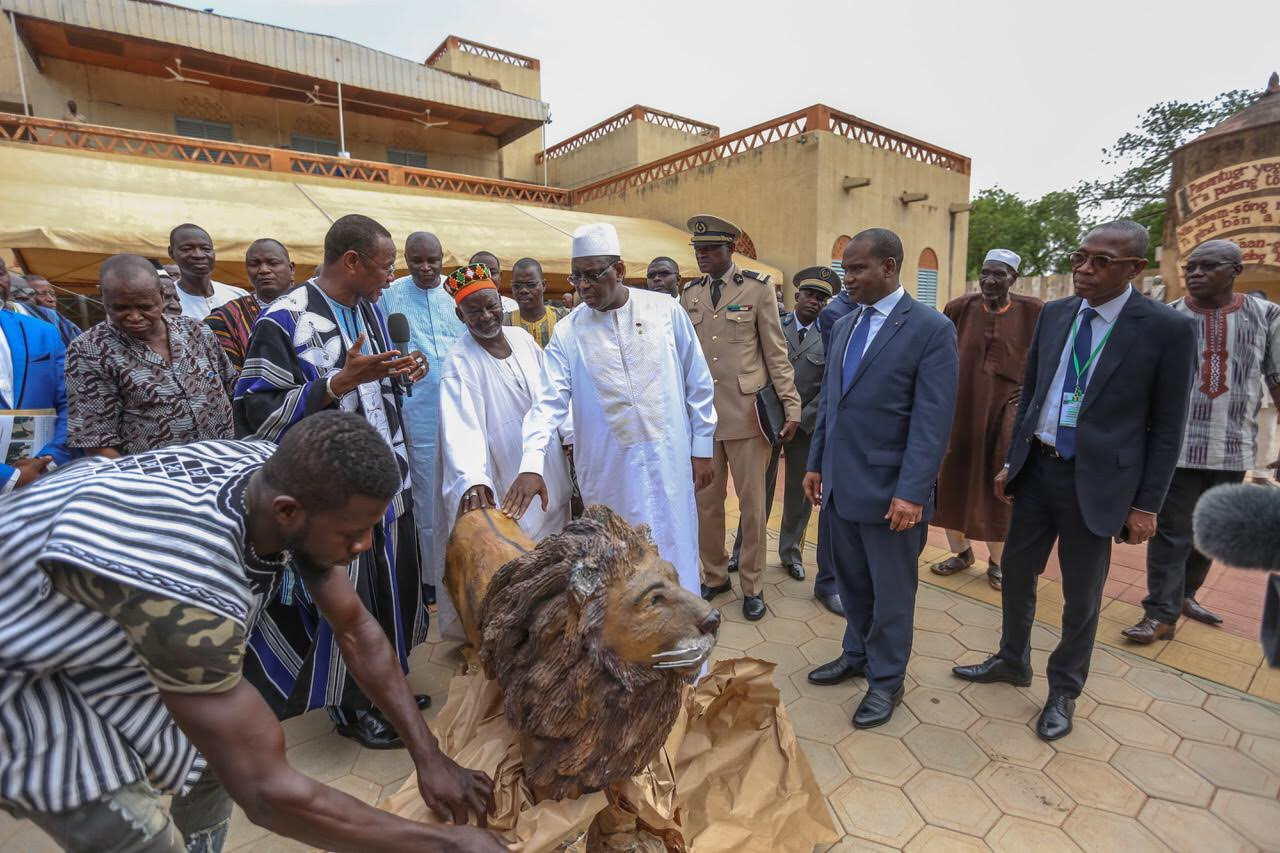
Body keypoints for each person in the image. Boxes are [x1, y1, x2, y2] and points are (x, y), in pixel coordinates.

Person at [0, 411, 503, 853]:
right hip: (18, 673)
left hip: (95, 601)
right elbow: (266, 794)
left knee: (211, 751)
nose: (365, 546)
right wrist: (443, 844)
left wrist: (430, 757)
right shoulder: (191, 583)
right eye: (352, 533)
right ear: (287, 511)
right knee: (135, 835)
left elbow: (354, 628)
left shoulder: (277, 471)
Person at [953, 221, 1197, 741]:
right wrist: (1012, 461)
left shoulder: (1164, 328)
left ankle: (1063, 689)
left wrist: (1147, 504)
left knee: (1082, 594)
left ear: (1135, 268)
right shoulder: (1058, 313)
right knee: (1017, 573)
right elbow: (1034, 391)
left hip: (1100, 484)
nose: (1084, 269)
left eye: (1100, 261)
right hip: (1039, 469)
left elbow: (1169, 426)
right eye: (1079, 258)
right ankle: (1012, 659)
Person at [234, 214, 431, 749]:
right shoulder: (283, 320)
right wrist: (340, 380)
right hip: (331, 497)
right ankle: (352, 708)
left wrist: (397, 372)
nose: (391, 277)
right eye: (385, 265)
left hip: (384, 477)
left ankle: (387, 688)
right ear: (352, 261)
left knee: (392, 586)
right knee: (351, 600)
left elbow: (369, 389)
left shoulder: (367, 309)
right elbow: (257, 411)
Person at [502, 223, 717, 599]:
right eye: (576, 277)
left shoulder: (666, 311)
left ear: (618, 271)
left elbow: (698, 382)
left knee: (677, 551)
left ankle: (687, 654)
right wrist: (531, 464)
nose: (582, 286)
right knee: (620, 569)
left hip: (670, 462)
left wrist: (702, 448)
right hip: (609, 472)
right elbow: (547, 403)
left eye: (592, 275)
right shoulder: (569, 332)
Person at [803, 228, 959, 729]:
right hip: (841, 486)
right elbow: (832, 402)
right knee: (851, 582)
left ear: (889, 267)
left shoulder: (930, 329)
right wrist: (815, 464)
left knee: (891, 594)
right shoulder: (846, 324)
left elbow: (932, 421)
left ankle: (887, 681)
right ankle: (856, 653)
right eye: (845, 269)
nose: (846, 279)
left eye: (857, 269)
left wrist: (912, 492)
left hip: (893, 493)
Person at [1120, 240, 1280, 641]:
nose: (1195, 274)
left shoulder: (1267, 316)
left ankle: (1185, 596)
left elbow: (1277, 379)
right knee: (1170, 531)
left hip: (1233, 447)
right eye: (1191, 267)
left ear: (1235, 271)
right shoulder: (1168, 317)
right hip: (1175, 449)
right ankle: (1160, 613)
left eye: (1209, 267)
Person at [433, 263, 574, 636]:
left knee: (557, 540)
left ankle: (558, 623)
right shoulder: (459, 363)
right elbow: (460, 428)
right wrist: (473, 478)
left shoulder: (523, 339)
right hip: (505, 473)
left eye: (491, 305)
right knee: (520, 557)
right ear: (458, 313)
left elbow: (551, 396)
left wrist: (570, 436)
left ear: (501, 299)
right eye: (474, 310)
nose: (486, 316)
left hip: (547, 463)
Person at [680, 214, 801, 621]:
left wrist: (791, 405)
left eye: (711, 250)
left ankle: (753, 584)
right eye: (698, 250)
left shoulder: (758, 289)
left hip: (748, 417)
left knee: (752, 506)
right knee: (707, 504)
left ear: (730, 250)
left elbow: (776, 353)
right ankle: (714, 576)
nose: (703, 257)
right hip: (703, 420)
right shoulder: (690, 294)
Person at [930, 249, 1043, 590]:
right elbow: (940, 355)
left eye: (1000, 274)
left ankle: (998, 561)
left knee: (998, 484)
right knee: (953, 480)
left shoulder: (1034, 312)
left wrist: (1031, 394)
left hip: (1005, 413)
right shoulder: (959, 308)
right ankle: (961, 553)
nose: (990, 280)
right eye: (985, 273)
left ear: (1014, 279)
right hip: (959, 411)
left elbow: (1049, 358)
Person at [730, 266, 840, 611]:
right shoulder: (774, 323)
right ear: (797, 296)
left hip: (804, 427)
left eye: (822, 297)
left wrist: (800, 418)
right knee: (755, 491)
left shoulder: (832, 335)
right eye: (809, 294)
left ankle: (790, 553)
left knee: (798, 494)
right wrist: (776, 415)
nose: (815, 302)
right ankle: (742, 551)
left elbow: (829, 388)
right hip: (766, 421)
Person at [64, 255, 236, 458]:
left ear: (162, 295)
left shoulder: (197, 331)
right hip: (152, 479)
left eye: (145, 307)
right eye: (120, 308)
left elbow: (233, 391)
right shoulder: (90, 349)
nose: (135, 317)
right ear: (102, 296)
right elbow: (96, 442)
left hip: (222, 464)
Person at [378, 230, 467, 608]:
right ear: (405, 260)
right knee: (428, 497)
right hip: (419, 412)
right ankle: (433, 580)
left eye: (433, 260)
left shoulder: (459, 287)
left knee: (469, 486)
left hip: (466, 405)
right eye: (417, 260)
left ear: (443, 257)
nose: (427, 268)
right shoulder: (388, 295)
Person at [1, 277, 72, 493]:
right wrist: (10, 478)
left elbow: (73, 402)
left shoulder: (42, 331)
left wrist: (50, 459)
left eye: (1, 270)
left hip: (45, 483)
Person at [203, 238, 294, 372]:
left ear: (291, 269)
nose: (263, 270)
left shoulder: (315, 308)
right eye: (254, 264)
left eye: (273, 263)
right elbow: (229, 377)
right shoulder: (225, 319)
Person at [168, 223, 244, 320]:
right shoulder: (166, 301)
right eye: (187, 249)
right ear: (171, 252)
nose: (198, 255)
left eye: (206, 249)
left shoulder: (238, 296)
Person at [503, 257, 566, 348]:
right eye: (517, 286)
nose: (523, 290)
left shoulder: (563, 319)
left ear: (543, 285)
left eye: (531, 285)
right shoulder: (504, 324)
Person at [23, 275, 83, 346]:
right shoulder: (23, 325)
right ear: (24, 296)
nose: (51, 299)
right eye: (41, 294)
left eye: (52, 294)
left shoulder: (64, 324)